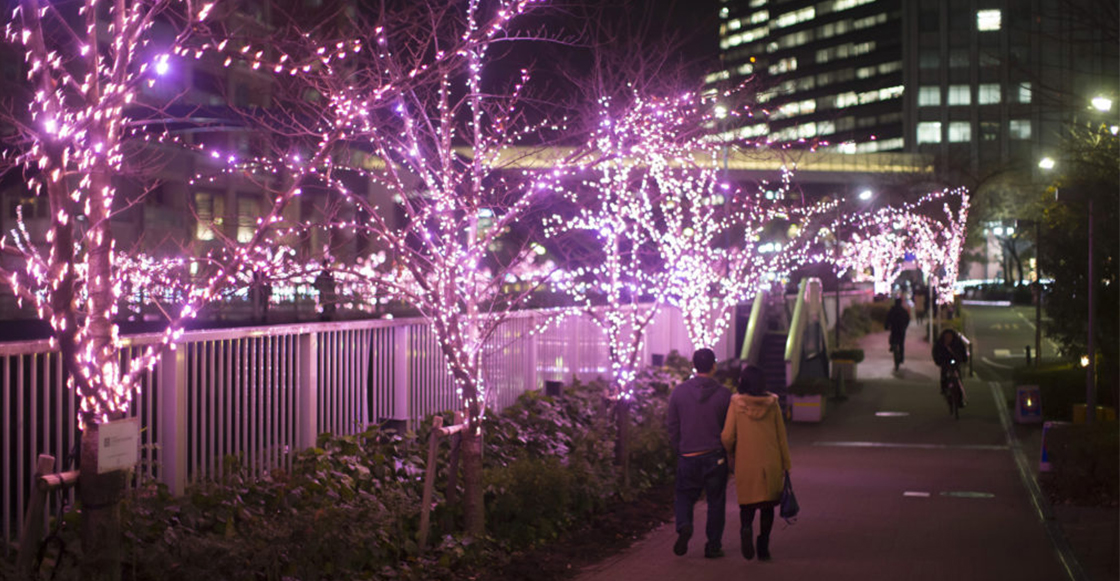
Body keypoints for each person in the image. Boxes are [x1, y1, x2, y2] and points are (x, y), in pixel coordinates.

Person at [721, 365, 791, 562]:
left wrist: (731, 451)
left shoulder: (736, 403)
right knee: (767, 507)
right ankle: (763, 546)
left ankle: (746, 529)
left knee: (747, 505)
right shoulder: (773, 403)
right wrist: (786, 464)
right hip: (771, 463)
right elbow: (781, 436)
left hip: (746, 462)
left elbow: (727, 435)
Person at [666, 348, 731, 559]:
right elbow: (729, 429)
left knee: (684, 496)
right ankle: (713, 546)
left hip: (688, 455)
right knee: (716, 501)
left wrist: (679, 447)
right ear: (714, 366)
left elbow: (672, 425)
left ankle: (684, 525)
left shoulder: (679, 392)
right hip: (715, 456)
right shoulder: (724, 395)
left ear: (694, 366)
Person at [932, 328, 969, 407]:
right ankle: (944, 389)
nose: (948, 338)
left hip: (955, 361)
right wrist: (938, 361)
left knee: (958, 377)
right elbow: (935, 353)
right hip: (945, 361)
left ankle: (959, 399)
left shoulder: (957, 343)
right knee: (944, 374)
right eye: (947, 337)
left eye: (950, 337)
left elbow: (963, 351)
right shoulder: (940, 344)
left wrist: (963, 359)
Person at [884, 297, 911, 371]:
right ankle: (901, 358)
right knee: (901, 344)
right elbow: (908, 319)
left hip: (894, 329)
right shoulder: (903, 311)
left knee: (893, 339)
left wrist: (886, 326)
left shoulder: (892, 310)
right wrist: (905, 326)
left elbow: (887, 319)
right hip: (901, 330)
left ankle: (892, 347)